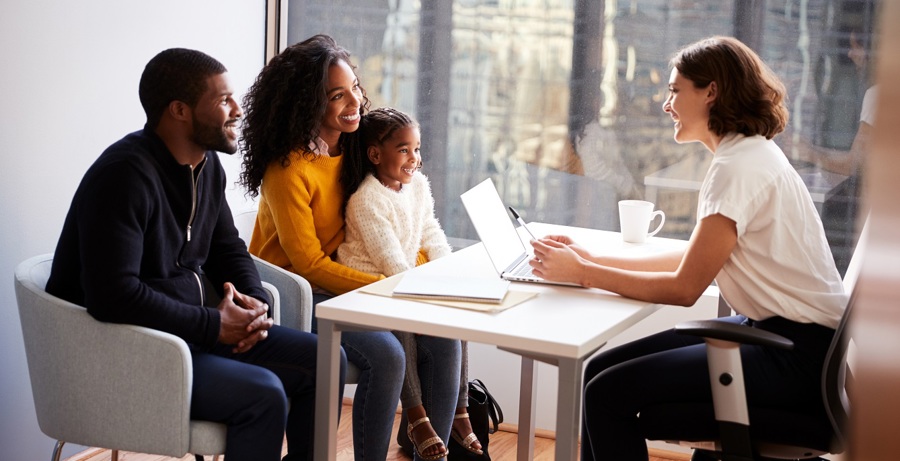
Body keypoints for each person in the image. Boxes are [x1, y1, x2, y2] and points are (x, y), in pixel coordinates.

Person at [527, 36, 849, 461]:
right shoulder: (748, 155)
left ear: (711, 91)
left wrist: (583, 274)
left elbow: (685, 288)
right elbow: (699, 257)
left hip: (793, 357)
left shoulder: (736, 168)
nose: (666, 104)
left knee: (605, 392)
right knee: (597, 371)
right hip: (788, 341)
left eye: (675, 91)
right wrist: (588, 258)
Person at [44, 48, 344, 461]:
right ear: (179, 111)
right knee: (264, 394)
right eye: (223, 100)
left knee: (326, 361)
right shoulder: (122, 177)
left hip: (193, 334)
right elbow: (113, 294)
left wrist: (252, 301)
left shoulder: (206, 167)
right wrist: (214, 324)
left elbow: (227, 248)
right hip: (132, 352)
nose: (238, 109)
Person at [239, 35, 412, 461]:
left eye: (354, 87)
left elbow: (396, 212)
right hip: (293, 294)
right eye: (337, 95)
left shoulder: (354, 148)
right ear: (307, 103)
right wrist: (384, 285)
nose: (354, 100)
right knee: (387, 356)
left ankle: (431, 447)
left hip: (340, 284)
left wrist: (413, 270)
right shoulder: (288, 170)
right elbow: (308, 265)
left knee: (439, 339)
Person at [337, 107, 477, 459]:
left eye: (416, 149)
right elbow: (392, 264)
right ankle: (416, 417)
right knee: (402, 321)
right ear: (375, 154)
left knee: (453, 324)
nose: (414, 158)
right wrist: (429, 292)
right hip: (371, 290)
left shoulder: (419, 187)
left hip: (402, 283)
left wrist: (449, 274)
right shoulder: (366, 200)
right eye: (404, 150)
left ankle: (459, 411)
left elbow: (431, 232)